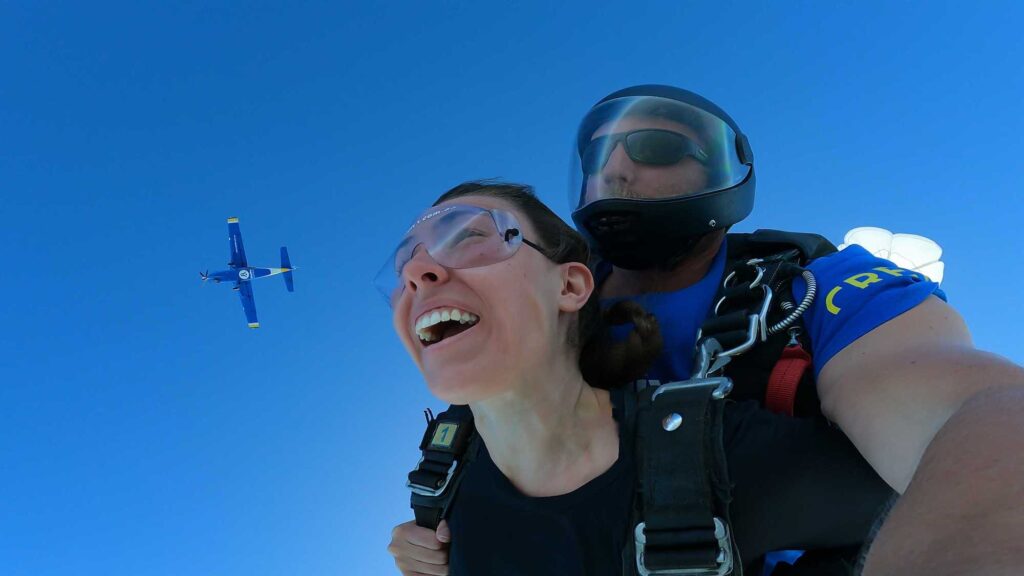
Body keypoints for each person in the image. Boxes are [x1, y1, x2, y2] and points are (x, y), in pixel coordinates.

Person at [388, 86, 1024, 575]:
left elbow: (980, 415)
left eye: (656, 149)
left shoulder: (810, 292)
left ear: (724, 176)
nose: (615, 169)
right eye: (600, 156)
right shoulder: (523, 317)